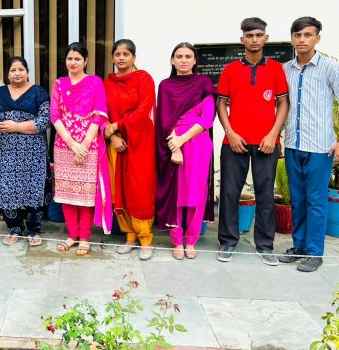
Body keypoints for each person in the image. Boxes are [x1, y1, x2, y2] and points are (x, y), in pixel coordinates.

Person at [278, 17, 339, 272]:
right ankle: (299, 246)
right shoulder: (285, 69)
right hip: (293, 144)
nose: (302, 40)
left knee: (316, 200)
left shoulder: (330, 68)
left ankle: (314, 252)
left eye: (307, 35)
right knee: (298, 199)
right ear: (292, 38)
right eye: (297, 35)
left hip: (320, 147)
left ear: (317, 38)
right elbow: (281, 106)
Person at [216, 17, 289, 265]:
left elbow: (282, 103)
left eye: (259, 35)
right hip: (234, 141)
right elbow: (221, 103)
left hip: (266, 142)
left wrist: (273, 135)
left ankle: (265, 245)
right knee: (229, 193)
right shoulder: (230, 70)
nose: (254, 40)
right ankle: (227, 242)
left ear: (266, 38)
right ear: (242, 39)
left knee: (265, 194)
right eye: (250, 35)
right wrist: (230, 132)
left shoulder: (277, 69)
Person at [51, 42, 112, 256]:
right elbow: (55, 116)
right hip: (64, 144)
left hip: (89, 144)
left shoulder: (95, 83)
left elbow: (99, 114)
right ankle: (71, 235)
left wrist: (84, 144)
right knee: (67, 192)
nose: (73, 62)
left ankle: (84, 237)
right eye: (69, 58)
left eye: (77, 58)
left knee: (85, 193)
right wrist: (72, 143)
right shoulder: (59, 84)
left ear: (85, 61)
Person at [156, 43, 216, 260]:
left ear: (194, 60)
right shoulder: (165, 86)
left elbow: (207, 119)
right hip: (171, 144)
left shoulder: (203, 83)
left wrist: (182, 140)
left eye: (187, 56)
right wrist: (175, 146)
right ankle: (176, 240)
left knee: (196, 193)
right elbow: (164, 119)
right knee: (176, 193)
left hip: (197, 144)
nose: (183, 60)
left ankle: (191, 240)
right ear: (172, 60)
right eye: (178, 56)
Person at [0, 57, 50, 247]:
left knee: (33, 187)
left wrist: (15, 126)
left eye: (21, 69)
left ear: (27, 72)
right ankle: (14, 227)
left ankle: (33, 230)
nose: (17, 73)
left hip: (33, 152)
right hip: (4, 152)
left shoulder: (38, 92)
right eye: (13, 70)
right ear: (7, 73)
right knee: (8, 188)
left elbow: (45, 120)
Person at [103, 39, 156, 260]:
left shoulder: (143, 78)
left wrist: (117, 125)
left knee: (140, 187)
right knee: (120, 187)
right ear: (113, 57)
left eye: (126, 54)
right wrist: (113, 135)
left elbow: (145, 108)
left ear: (134, 57)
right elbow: (102, 110)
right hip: (116, 142)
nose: (121, 58)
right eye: (117, 54)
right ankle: (130, 236)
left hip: (140, 140)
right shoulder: (109, 81)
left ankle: (145, 238)